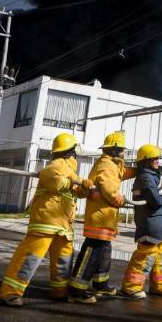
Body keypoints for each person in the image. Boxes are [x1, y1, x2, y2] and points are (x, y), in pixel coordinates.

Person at [0, 132, 96, 307]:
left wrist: (86, 188)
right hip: (46, 223)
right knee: (30, 258)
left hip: (64, 226)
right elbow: (55, 181)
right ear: (71, 151)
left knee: (63, 262)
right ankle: (10, 292)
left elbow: (75, 191)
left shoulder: (70, 170)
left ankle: (59, 292)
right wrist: (78, 180)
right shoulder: (56, 165)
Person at [67, 130, 134, 304]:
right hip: (100, 217)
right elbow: (110, 190)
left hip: (104, 217)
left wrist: (138, 170)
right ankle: (76, 290)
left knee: (104, 251)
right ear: (116, 150)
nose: (124, 152)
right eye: (123, 150)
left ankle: (100, 284)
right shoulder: (107, 165)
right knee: (92, 252)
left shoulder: (110, 164)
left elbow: (121, 173)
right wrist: (120, 200)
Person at [121, 144, 162, 299]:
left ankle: (160, 287)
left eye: (157, 158)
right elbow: (156, 200)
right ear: (145, 161)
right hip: (150, 225)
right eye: (154, 158)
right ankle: (131, 287)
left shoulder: (150, 176)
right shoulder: (146, 177)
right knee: (144, 257)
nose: (157, 161)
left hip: (159, 225)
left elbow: (157, 194)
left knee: (161, 258)